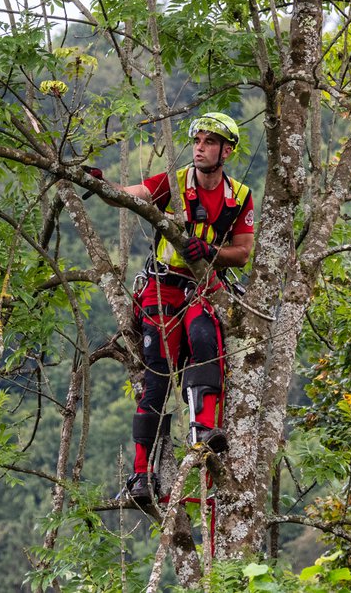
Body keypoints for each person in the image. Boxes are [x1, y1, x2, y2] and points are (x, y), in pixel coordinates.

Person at [106, 112, 255, 502]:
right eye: (198, 140)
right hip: (162, 290)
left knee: (204, 335)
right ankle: (141, 476)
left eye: (209, 141)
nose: (200, 147)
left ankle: (203, 430)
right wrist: (100, 183)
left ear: (226, 150)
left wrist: (211, 252)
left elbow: (241, 253)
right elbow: (134, 192)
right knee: (155, 380)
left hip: (203, 287)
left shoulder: (238, 196)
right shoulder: (175, 183)